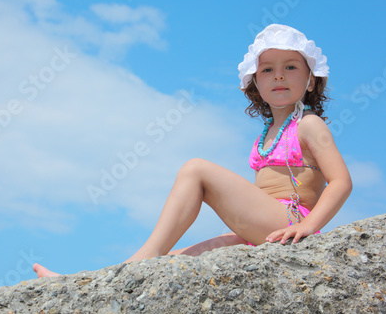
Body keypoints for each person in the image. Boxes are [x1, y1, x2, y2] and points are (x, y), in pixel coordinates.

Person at [33, 24, 352, 278]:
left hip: (289, 222)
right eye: (267, 70)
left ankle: (129, 264)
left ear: (311, 80)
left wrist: (309, 227)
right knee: (175, 258)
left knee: (196, 169)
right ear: (255, 82)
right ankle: (92, 281)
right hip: (262, 228)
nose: (279, 74)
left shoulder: (308, 125)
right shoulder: (268, 132)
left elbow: (341, 181)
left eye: (291, 67)